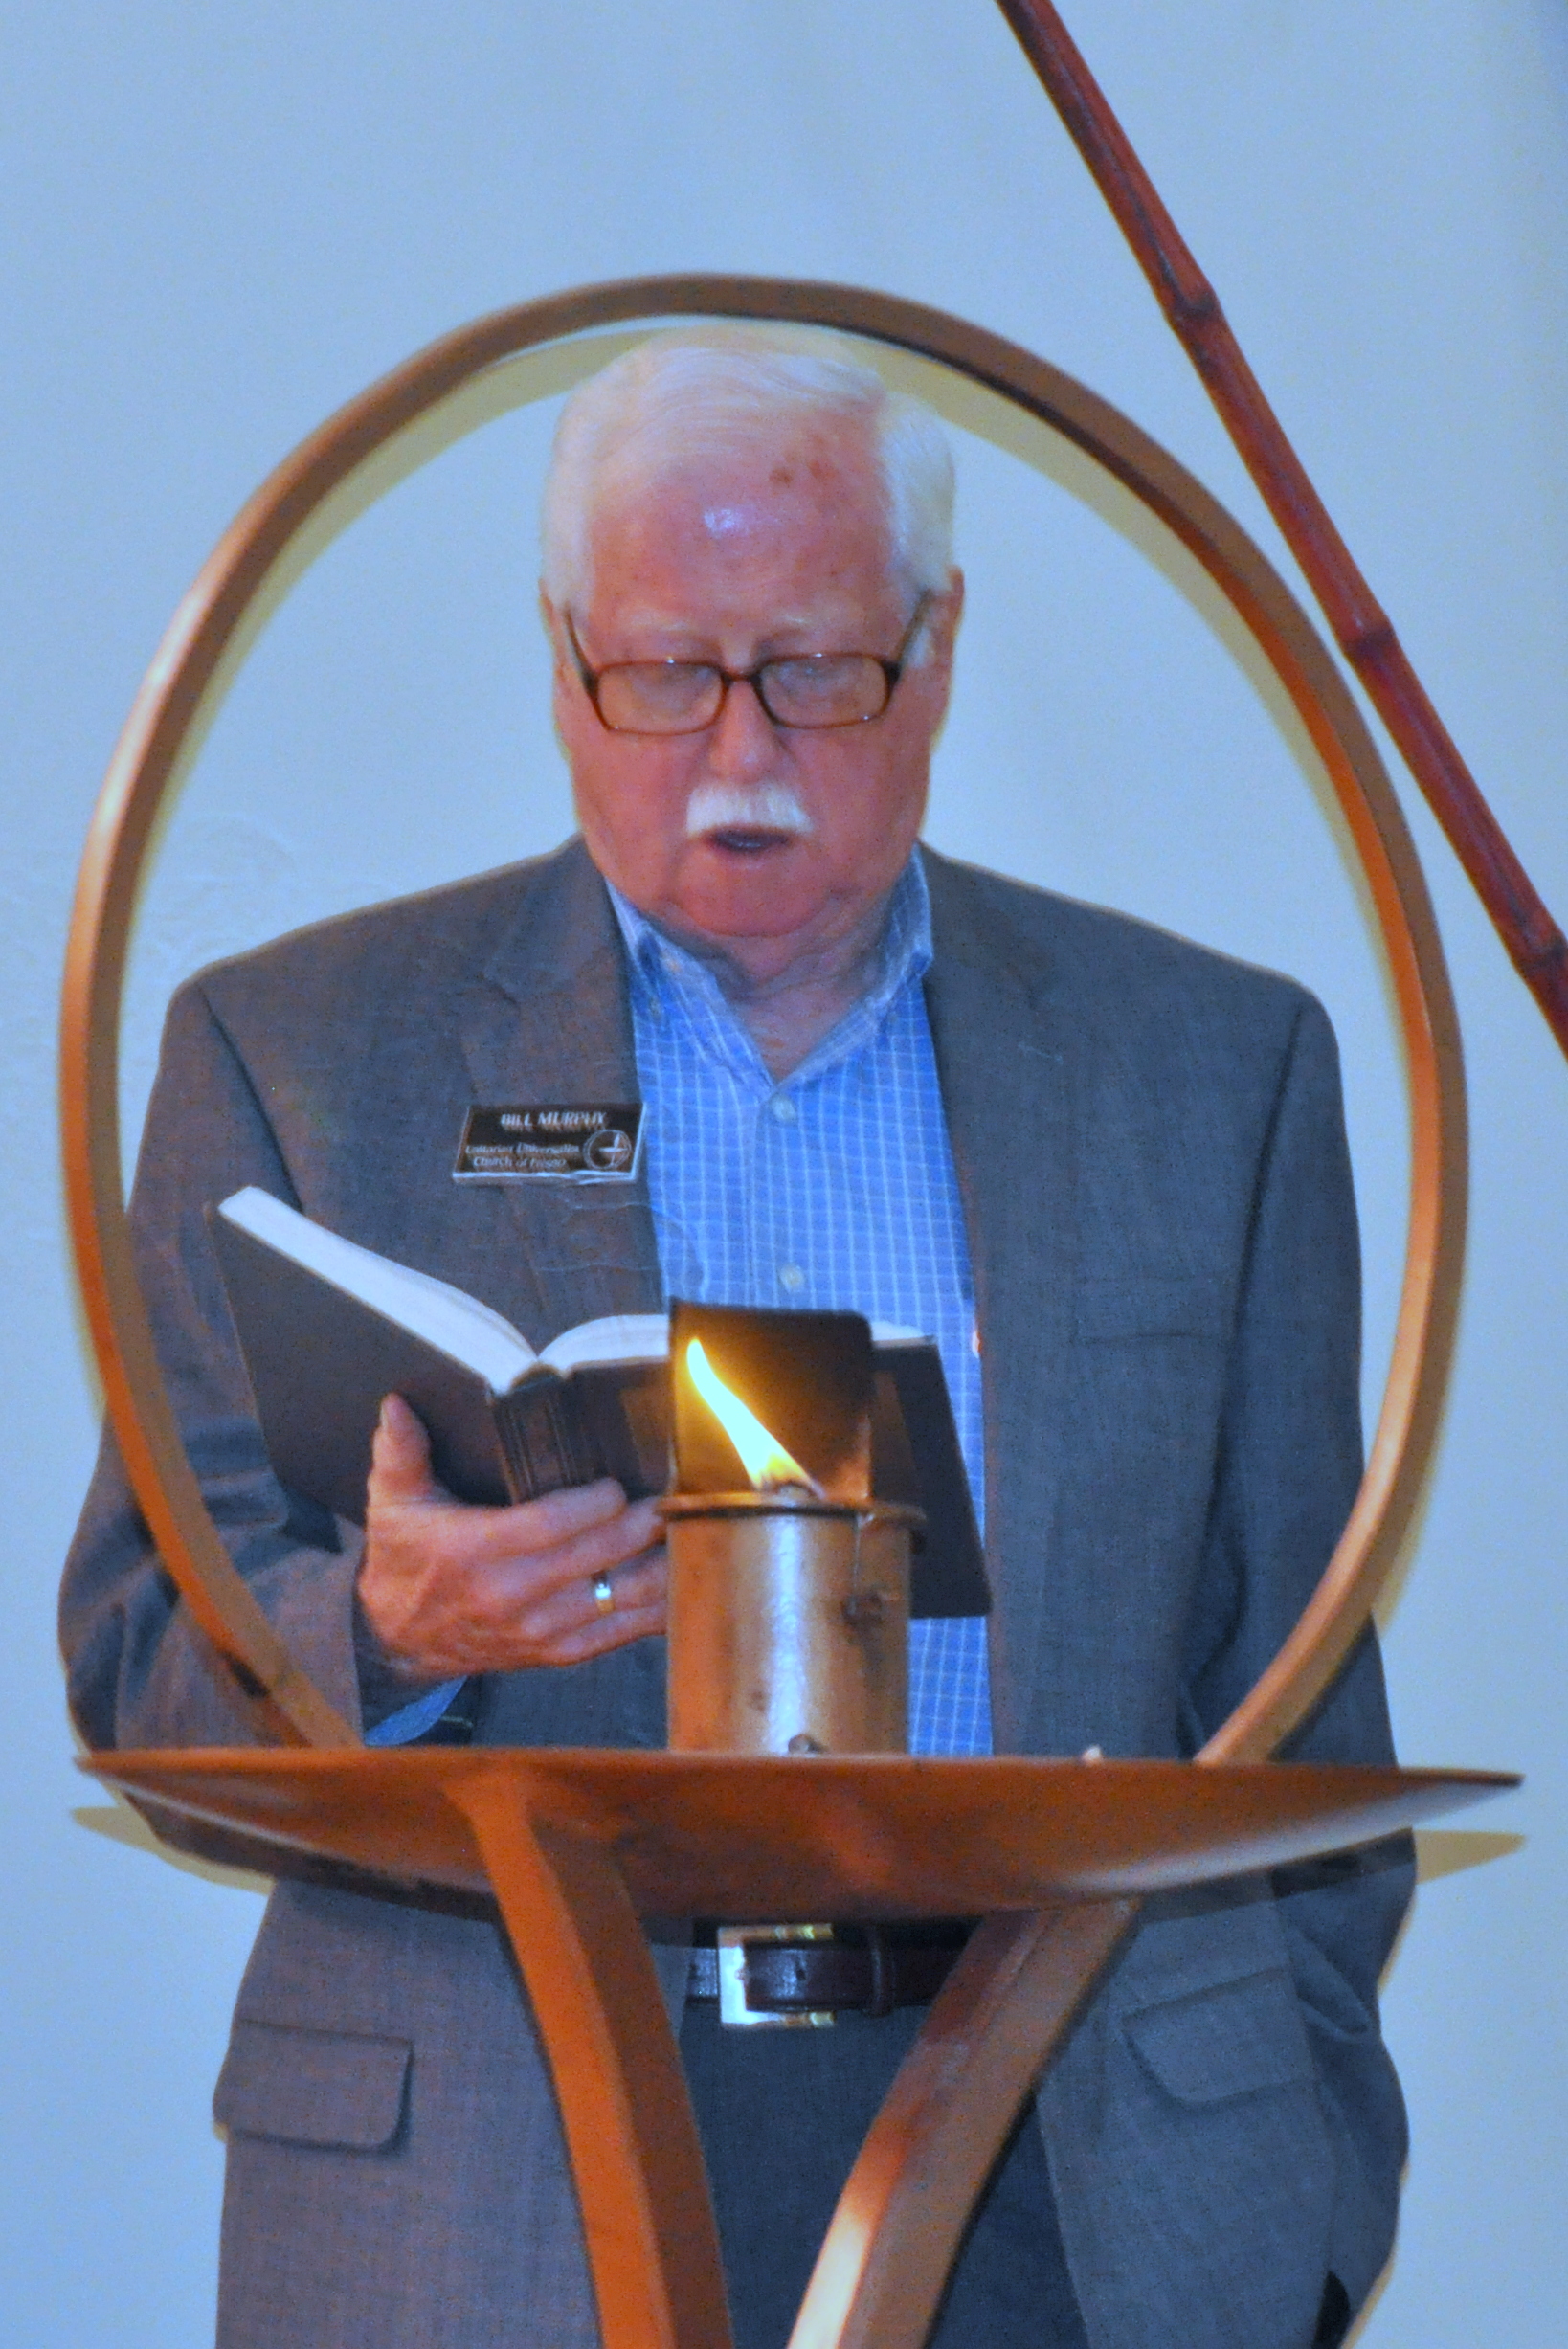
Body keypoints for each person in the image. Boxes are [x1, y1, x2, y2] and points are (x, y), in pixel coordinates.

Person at [61, 329, 1410, 2349]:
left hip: (1069, 2176)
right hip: (489, 2184)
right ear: (561, 660)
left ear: (935, 650)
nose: (736, 749)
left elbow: (1300, 1708)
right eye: (664, 672)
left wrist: (1297, 2194)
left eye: (812, 669)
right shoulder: (298, 1056)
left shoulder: (1212, 1072)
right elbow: (139, 1661)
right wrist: (392, 1633)